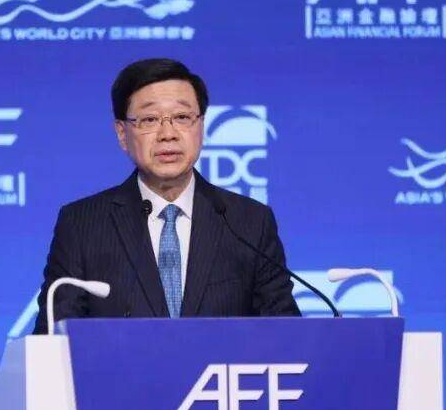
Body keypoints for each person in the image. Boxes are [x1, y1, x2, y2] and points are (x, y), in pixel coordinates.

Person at [32, 58, 299, 333]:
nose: (168, 134)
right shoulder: (82, 225)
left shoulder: (249, 222)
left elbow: (287, 335)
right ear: (122, 134)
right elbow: (52, 339)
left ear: (201, 126)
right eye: (149, 119)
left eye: (182, 117)